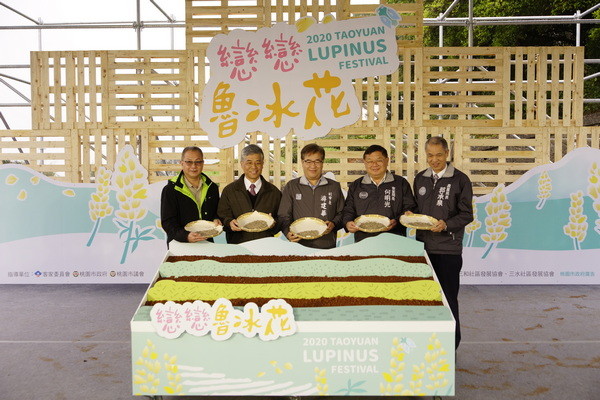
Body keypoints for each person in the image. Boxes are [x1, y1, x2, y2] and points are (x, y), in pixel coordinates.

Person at [409, 136, 473, 349]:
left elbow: (467, 214)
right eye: (430, 155)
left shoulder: (460, 180)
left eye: (438, 155)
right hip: (423, 249)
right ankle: (429, 343)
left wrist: (446, 225)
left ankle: (451, 345)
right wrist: (410, 214)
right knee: (425, 299)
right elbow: (417, 209)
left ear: (447, 154)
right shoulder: (420, 178)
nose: (434, 160)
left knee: (448, 299)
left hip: (448, 250)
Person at [342, 144, 417, 242]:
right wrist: (347, 222)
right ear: (364, 162)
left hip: (395, 239)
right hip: (364, 241)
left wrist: (396, 221)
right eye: (370, 161)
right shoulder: (356, 185)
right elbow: (348, 209)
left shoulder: (400, 183)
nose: (374, 164)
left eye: (379, 160)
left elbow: (409, 207)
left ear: (387, 161)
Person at [278, 143, 345, 249]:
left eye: (317, 161)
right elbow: (283, 215)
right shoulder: (292, 186)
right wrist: (287, 232)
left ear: (322, 163)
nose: (313, 166)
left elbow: (342, 213)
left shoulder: (334, 186)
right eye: (308, 161)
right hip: (299, 246)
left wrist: (334, 223)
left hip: (326, 245)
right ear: (302, 162)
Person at [217, 144, 282, 244]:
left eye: (258, 163)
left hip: (266, 246)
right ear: (241, 164)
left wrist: (274, 224)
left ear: (263, 164)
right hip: (238, 246)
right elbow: (222, 216)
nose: (254, 167)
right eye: (249, 162)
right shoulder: (229, 191)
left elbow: (281, 219)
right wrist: (229, 223)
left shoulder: (274, 192)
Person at [160, 146, 220, 246]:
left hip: (206, 243)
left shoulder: (212, 188)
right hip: (180, 244)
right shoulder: (170, 189)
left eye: (198, 162)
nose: (193, 166)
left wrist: (216, 218)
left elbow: (216, 212)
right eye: (189, 162)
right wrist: (185, 236)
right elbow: (167, 222)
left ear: (203, 163)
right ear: (182, 163)